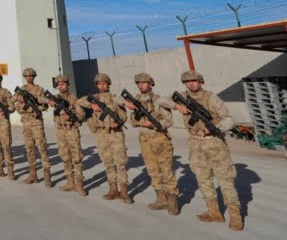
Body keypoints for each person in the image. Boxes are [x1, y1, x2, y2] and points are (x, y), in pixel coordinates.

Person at [171, 70, 243, 231]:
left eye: (194, 81)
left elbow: (228, 119)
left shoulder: (211, 98)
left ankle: (235, 216)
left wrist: (215, 128)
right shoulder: (183, 97)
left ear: (200, 81)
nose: (191, 84)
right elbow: (163, 101)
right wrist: (177, 106)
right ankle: (214, 212)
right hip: (195, 143)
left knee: (225, 180)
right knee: (203, 179)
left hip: (214, 143)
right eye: (187, 82)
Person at [123, 72, 178, 215]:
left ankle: (172, 203)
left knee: (166, 170)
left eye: (144, 82)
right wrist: (143, 122)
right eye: (139, 83)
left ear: (150, 84)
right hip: (145, 140)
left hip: (160, 138)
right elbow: (133, 121)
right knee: (153, 170)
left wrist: (154, 124)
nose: (141, 85)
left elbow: (169, 121)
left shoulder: (159, 100)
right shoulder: (135, 101)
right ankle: (161, 199)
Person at [75, 73, 131, 204]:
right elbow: (79, 101)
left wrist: (118, 123)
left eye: (104, 83)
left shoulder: (114, 98)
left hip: (115, 133)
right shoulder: (94, 98)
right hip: (101, 134)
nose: (102, 86)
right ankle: (113, 190)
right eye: (99, 84)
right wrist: (92, 106)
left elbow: (123, 116)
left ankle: (124, 192)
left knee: (120, 163)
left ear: (108, 84)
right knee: (108, 162)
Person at [47, 74, 86, 195]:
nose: (61, 86)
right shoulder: (56, 98)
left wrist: (71, 116)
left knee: (77, 158)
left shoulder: (73, 99)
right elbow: (43, 99)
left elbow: (82, 115)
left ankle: (79, 184)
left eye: (63, 84)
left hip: (71, 130)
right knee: (65, 157)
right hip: (60, 130)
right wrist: (49, 102)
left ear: (67, 85)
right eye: (59, 85)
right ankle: (70, 182)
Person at [14, 67, 51, 187]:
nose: (29, 78)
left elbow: (45, 106)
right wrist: (18, 99)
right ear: (25, 77)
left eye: (31, 76)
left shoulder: (39, 90)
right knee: (29, 149)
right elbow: (15, 106)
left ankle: (47, 176)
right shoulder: (21, 90)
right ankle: (33, 175)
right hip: (26, 123)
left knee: (42, 148)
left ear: (34, 77)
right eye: (27, 76)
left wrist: (37, 109)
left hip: (37, 123)